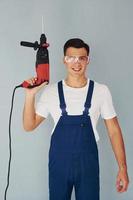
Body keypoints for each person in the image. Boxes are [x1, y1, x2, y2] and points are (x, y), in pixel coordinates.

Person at [23, 38, 129, 200]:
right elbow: (29, 126)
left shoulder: (101, 91)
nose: (76, 62)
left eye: (82, 58)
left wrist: (123, 168)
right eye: (71, 57)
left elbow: (114, 131)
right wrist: (30, 96)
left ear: (88, 60)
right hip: (59, 164)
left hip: (88, 165)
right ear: (64, 60)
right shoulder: (51, 92)